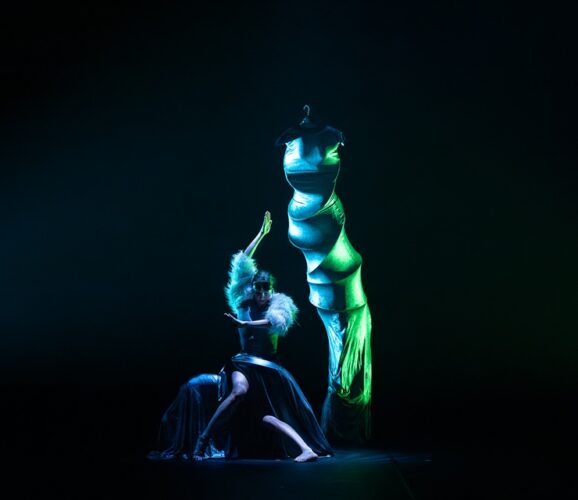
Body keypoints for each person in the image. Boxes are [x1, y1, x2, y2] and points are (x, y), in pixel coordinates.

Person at [148, 211, 332, 462]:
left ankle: (306, 449)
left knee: (267, 417)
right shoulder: (244, 302)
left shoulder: (279, 306)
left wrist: (245, 323)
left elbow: (273, 322)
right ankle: (203, 440)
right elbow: (243, 262)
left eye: (266, 290)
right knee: (239, 392)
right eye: (258, 290)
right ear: (253, 289)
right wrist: (261, 235)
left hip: (267, 369)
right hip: (244, 363)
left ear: (272, 290)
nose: (262, 295)